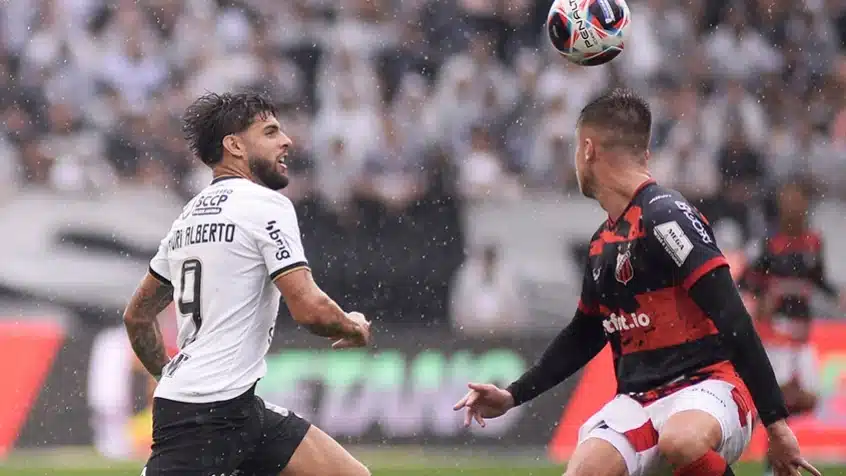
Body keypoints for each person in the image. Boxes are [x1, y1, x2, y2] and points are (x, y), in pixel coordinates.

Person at [453, 89, 819, 476]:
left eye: (578, 150)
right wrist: (513, 395)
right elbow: (584, 334)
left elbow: (733, 317)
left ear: (588, 150)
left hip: (709, 384)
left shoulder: (667, 217)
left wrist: (776, 424)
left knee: (681, 440)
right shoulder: (602, 242)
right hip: (639, 400)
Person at [123, 91, 372, 476]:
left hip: (237, 408)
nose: (286, 140)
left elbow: (137, 318)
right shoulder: (264, 204)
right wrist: (352, 326)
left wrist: (170, 377)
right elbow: (309, 308)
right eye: (270, 131)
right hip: (202, 418)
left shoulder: (188, 217)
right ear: (235, 145)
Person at [739, 180, 843, 476]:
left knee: (807, 399)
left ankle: (770, 449)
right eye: (789, 199)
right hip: (776, 338)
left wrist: (838, 295)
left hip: (803, 336)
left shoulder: (813, 242)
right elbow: (746, 281)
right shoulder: (768, 244)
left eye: (799, 199)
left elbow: (818, 279)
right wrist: (761, 301)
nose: (794, 206)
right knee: (779, 402)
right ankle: (773, 463)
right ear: (781, 205)